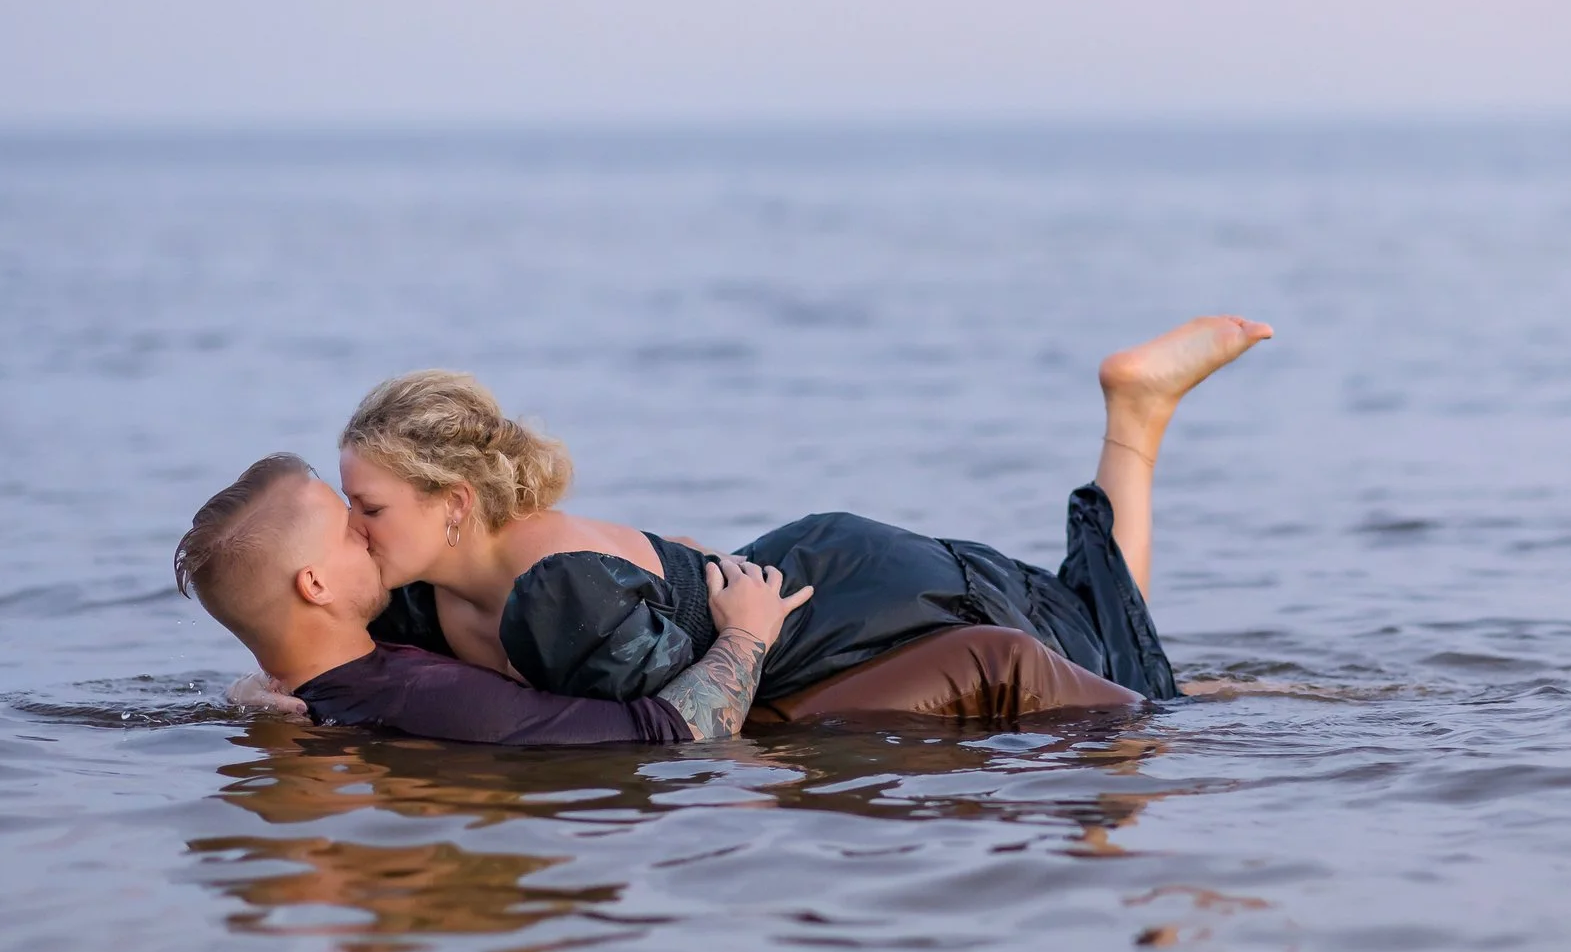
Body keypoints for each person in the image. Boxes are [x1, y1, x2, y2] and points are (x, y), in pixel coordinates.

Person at [195, 314, 1269, 744]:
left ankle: (1137, 413)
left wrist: (744, 638)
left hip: (844, 597)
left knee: (1124, 664)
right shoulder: (427, 587)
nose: (359, 535)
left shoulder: (556, 589)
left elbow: (698, 725)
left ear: (454, 501)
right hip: (805, 587)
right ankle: (1136, 419)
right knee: (1105, 641)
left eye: (367, 511)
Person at [174, 454, 805, 745]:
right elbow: (674, 732)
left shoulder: (310, 690)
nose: (369, 533)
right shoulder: (420, 695)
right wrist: (746, 633)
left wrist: (253, 689)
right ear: (314, 587)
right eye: (348, 527)